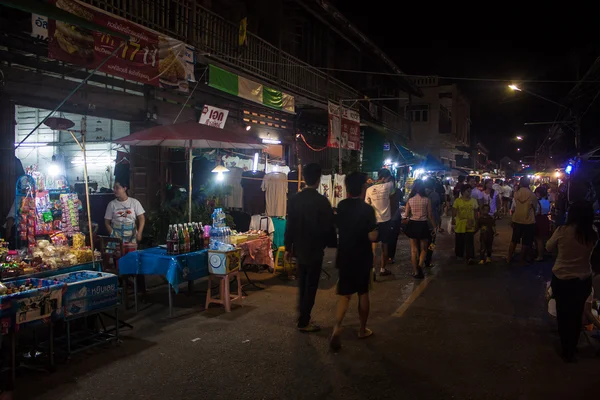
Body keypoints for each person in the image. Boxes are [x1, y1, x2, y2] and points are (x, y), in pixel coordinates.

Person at [285, 163, 336, 333]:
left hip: (299, 248)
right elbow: (329, 227)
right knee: (311, 285)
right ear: (319, 179)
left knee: (303, 282)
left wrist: (287, 247)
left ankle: (303, 316)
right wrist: (330, 243)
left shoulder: (294, 199)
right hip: (315, 249)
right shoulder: (322, 201)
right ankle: (304, 320)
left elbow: (289, 225)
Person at [330, 172, 378, 350]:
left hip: (344, 255)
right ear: (363, 188)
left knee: (345, 294)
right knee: (363, 293)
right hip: (362, 257)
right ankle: (362, 329)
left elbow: (337, 225)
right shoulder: (367, 210)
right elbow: (372, 236)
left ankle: (337, 327)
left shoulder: (341, 206)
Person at [547, 201, 598, 362]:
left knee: (563, 313)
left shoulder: (562, 231)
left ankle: (566, 348)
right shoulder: (592, 233)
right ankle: (573, 345)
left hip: (562, 277)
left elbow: (548, 247)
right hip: (582, 278)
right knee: (576, 314)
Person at [365, 169, 395, 276]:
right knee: (384, 246)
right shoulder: (389, 186)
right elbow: (393, 192)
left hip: (374, 222)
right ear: (384, 178)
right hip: (386, 221)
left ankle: (373, 269)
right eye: (387, 178)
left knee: (374, 247)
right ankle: (382, 269)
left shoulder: (369, 189)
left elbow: (367, 204)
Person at [404, 180, 436, 279]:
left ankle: (415, 272)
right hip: (423, 225)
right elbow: (430, 215)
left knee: (413, 250)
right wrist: (435, 227)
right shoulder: (427, 200)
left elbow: (406, 215)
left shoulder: (410, 200)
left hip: (413, 224)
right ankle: (420, 265)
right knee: (424, 249)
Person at [507, 177, 537, 264]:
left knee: (514, 239)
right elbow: (535, 208)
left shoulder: (516, 194)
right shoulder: (532, 195)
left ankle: (509, 257)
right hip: (529, 220)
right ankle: (521, 259)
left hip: (517, 218)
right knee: (526, 241)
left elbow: (515, 205)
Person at [452, 185, 479, 264]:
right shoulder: (457, 201)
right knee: (459, 240)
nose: (469, 193)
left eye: (470, 191)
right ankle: (459, 255)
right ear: (463, 192)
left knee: (469, 240)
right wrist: (453, 221)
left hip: (470, 223)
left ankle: (470, 257)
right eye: (468, 191)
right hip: (460, 224)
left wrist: (477, 223)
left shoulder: (474, 201)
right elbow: (454, 212)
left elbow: (475, 213)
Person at [424, 179, 441, 267]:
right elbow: (438, 206)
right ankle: (428, 258)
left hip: (422, 221)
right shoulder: (435, 195)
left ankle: (421, 257)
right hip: (432, 221)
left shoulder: (421, 194)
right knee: (432, 242)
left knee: (423, 240)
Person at [534, 187, 551, 262]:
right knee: (543, 238)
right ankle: (542, 253)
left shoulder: (538, 202)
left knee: (539, 239)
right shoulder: (547, 201)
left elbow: (537, 212)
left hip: (539, 219)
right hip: (545, 219)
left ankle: (540, 255)